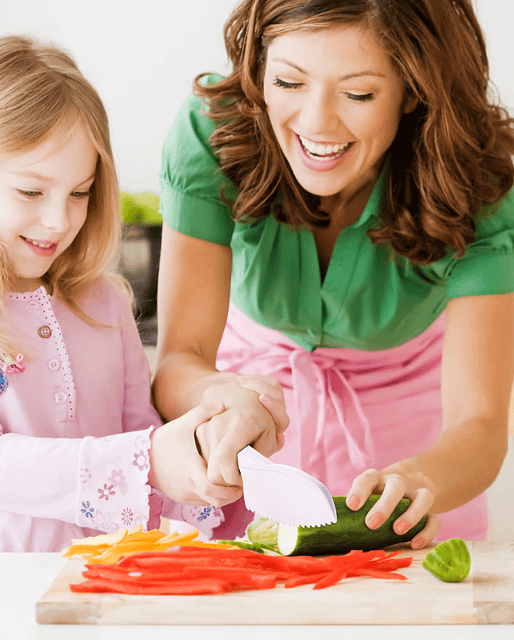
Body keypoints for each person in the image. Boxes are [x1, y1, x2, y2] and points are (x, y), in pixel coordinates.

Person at [153, 0, 514, 545]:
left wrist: (419, 480)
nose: (317, 122)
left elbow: (480, 425)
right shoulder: (213, 133)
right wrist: (224, 397)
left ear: (412, 89)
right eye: (288, 82)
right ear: (258, 66)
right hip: (257, 423)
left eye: (359, 93)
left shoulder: (479, 181)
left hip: (420, 441)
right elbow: (180, 359)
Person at [0, 35, 257, 552]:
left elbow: (146, 450)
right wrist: (148, 457)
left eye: (79, 193)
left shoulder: (104, 301)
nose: (59, 220)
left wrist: (210, 464)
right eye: (31, 191)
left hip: (104, 593)